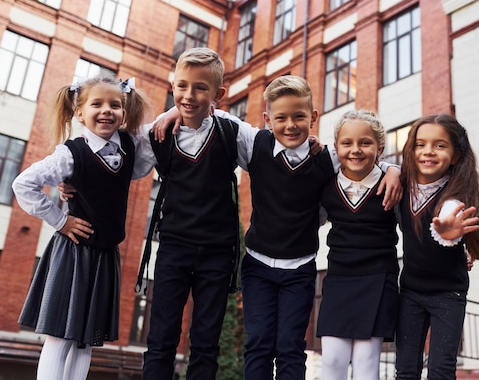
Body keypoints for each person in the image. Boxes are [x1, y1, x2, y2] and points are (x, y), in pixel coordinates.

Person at [153, 75, 402, 379]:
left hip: (300, 269)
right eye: (281, 118)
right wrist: (175, 111)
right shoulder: (253, 143)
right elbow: (213, 114)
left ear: (312, 118)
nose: (291, 125)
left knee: (290, 346)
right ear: (267, 119)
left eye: (299, 117)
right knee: (258, 344)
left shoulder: (327, 158)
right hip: (258, 266)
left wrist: (393, 169)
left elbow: (364, 157)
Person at [12, 74, 152, 380]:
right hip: (73, 253)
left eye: (115, 105)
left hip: (105, 256)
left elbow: (155, 141)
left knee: (86, 340)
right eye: (96, 104)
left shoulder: (131, 148)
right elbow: (23, 184)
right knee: (60, 337)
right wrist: (60, 221)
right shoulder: (71, 153)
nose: (106, 110)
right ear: (79, 112)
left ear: (124, 112)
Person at [141, 47, 241, 380]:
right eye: (182, 86)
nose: (189, 95)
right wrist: (70, 183)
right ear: (172, 86)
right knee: (160, 340)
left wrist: (387, 168)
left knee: (205, 344)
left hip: (217, 253)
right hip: (173, 248)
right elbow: (108, 156)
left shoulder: (231, 132)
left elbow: (277, 152)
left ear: (217, 94)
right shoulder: (157, 134)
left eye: (200, 87)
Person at [394, 114, 479, 380]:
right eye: (420, 144)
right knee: (406, 369)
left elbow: (449, 221)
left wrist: (448, 236)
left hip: (447, 294)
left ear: (455, 156)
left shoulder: (456, 198)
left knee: (441, 371)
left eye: (440, 145)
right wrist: (392, 171)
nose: (428, 151)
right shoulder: (401, 186)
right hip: (410, 291)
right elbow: (377, 167)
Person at [317, 110, 400, 380]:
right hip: (339, 278)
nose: (356, 150)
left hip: (379, 277)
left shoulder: (393, 186)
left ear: (380, 148)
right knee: (331, 359)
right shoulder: (324, 185)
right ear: (336, 147)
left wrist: (394, 170)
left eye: (365, 143)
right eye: (347, 143)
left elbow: (418, 227)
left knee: (366, 362)